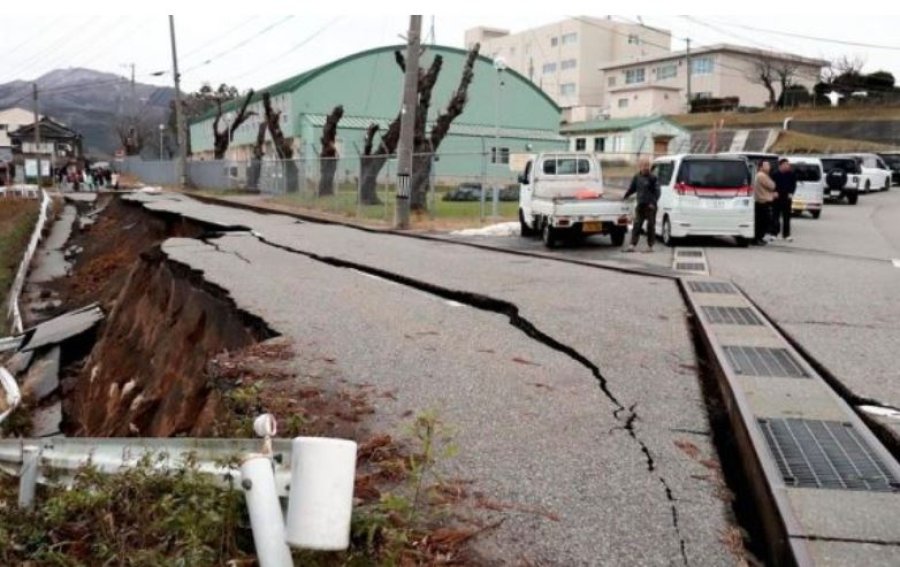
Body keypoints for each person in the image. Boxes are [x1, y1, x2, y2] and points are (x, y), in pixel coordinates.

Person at [623, 158, 660, 253]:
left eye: (647, 165)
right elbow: (632, 188)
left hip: (650, 206)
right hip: (640, 205)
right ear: (640, 166)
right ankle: (632, 245)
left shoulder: (653, 178)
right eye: (644, 165)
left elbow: (657, 192)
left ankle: (650, 246)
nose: (646, 167)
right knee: (637, 225)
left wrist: (653, 203)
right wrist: (625, 196)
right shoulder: (637, 177)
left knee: (650, 226)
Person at [770, 158, 797, 242]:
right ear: (780, 165)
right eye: (785, 164)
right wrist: (773, 192)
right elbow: (771, 185)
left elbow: (794, 185)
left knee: (787, 217)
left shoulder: (791, 174)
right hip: (777, 198)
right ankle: (774, 234)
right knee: (775, 217)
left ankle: (786, 235)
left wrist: (791, 193)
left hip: (787, 198)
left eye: (788, 165)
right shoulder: (775, 174)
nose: (787, 166)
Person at [753, 160, 777, 245]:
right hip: (762, 202)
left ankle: (758, 238)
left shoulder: (760, 175)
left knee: (761, 221)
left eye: (769, 165)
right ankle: (758, 238)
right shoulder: (762, 176)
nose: (769, 167)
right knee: (762, 222)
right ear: (761, 167)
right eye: (766, 165)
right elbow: (772, 186)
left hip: (761, 201)